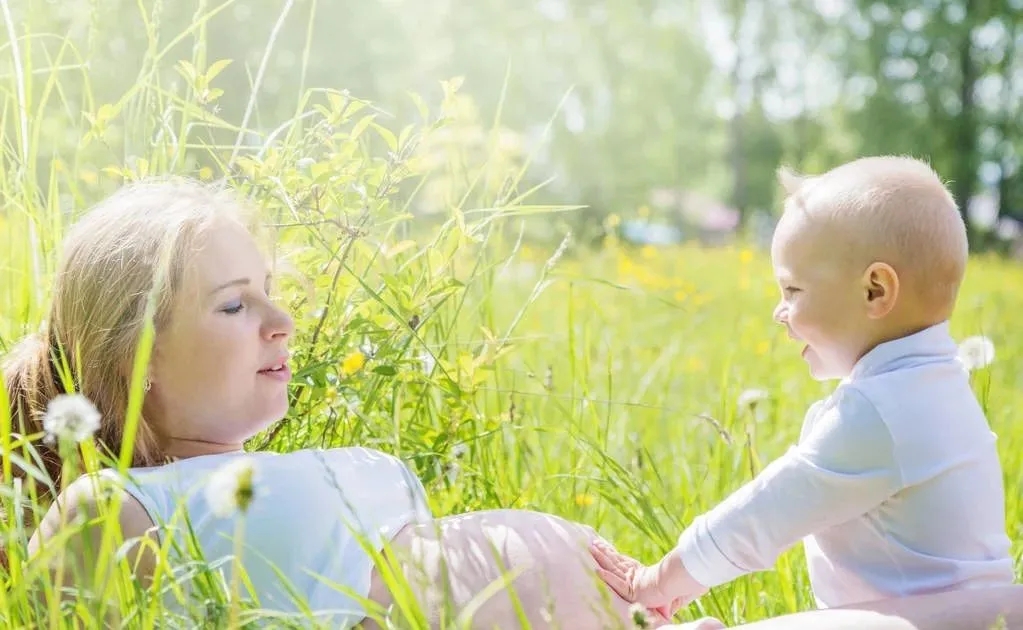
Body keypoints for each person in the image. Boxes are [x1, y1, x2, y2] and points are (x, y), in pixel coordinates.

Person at [7, 177, 689, 629]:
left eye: (271, 291)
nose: (282, 322)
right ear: (135, 355)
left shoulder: (311, 469)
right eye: (235, 305)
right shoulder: (112, 507)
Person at [590, 156, 1017, 619]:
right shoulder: (934, 389)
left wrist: (659, 580)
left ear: (875, 290)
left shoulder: (886, 411)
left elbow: (765, 514)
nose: (779, 312)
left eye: (793, 291)